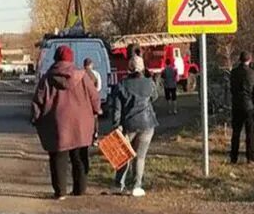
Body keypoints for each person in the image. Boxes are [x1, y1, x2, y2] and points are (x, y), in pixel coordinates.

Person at [32, 45, 101, 200]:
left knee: (58, 157)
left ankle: (60, 191)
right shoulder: (82, 76)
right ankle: (80, 189)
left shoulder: (47, 78)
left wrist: (36, 118)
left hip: (56, 124)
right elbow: (94, 97)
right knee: (79, 156)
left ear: (56, 58)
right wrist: (97, 111)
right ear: (71, 59)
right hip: (81, 123)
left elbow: (38, 101)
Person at [108, 56, 159, 197]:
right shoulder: (149, 83)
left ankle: (119, 184)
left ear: (129, 68)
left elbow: (116, 109)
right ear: (142, 67)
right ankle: (137, 186)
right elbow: (155, 97)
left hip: (128, 125)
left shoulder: (122, 85)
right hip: (147, 124)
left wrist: (116, 125)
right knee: (140, 157)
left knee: (124, 155)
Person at [229, 52, 254, 164]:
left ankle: (233, 157)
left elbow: (232, 88)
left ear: (239, 59)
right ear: (250, 59)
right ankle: (250, 156)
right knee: (250, 132)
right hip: (248, 105)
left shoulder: (234, 72)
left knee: (236, 132)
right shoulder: (252, 74)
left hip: (236, 104)